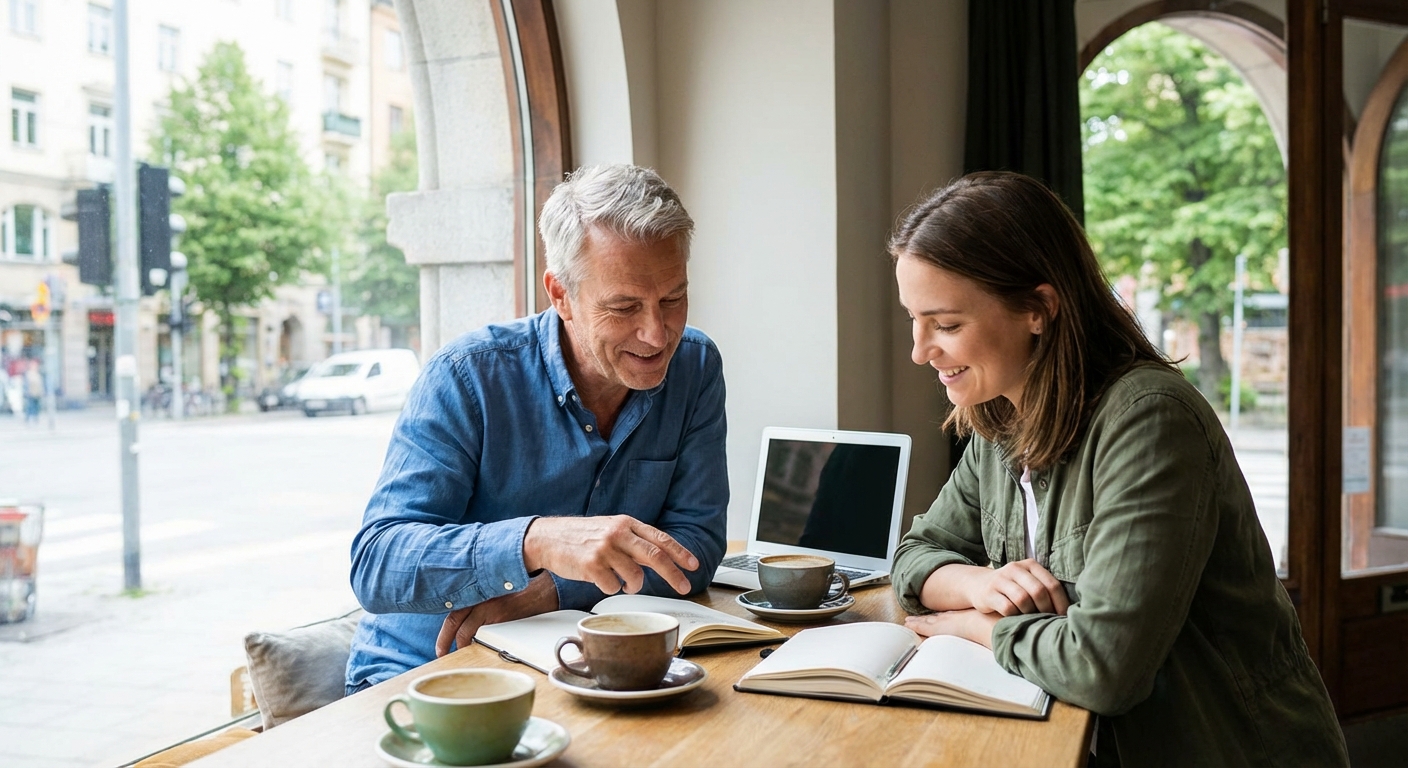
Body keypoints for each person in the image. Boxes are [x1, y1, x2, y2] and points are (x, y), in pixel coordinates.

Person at [888, 172, 1347, 766]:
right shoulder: (999, 419)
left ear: (1038, 309)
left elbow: (1101, 667)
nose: (920, 350)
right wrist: (975, 585)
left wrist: (971, 625)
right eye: (914, 319)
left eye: (946, 325)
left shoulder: (1150, 421)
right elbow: (913, 556)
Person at [345, 164, 728, 694]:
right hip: (423, 672)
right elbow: (377, 562)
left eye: (673, 299)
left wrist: (553, 590)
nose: (656, 333)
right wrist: (537, 540)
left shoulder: (696, 366)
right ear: (561, 295)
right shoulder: (467, 376)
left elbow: (695, 546)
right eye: (624, 307)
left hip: (577, 667)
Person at [22, 360, 43, 424]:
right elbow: (26, 384)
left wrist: (41, 391)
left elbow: (40, 384)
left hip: (37, 393)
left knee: (37, 407)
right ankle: (28, 418)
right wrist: (27, 392)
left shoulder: (38, 374)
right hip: (31, 393)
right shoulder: (28, 374)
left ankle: (35, 418)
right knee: (30, 406)